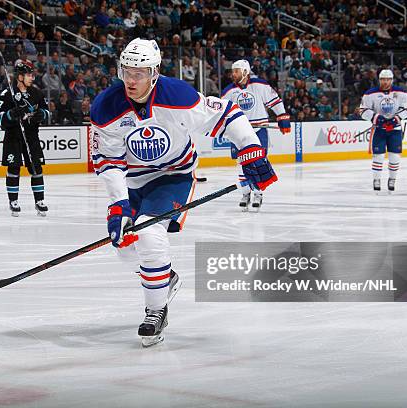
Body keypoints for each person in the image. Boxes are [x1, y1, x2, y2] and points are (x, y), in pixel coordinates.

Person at [90, 38, 277, 347]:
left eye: (140, 72)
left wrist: (252, 148)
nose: (131, 80)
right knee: (125, 246)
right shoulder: (105, 107)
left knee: (150, 234)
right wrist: (118, 206)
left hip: (173, 175)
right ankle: (165, 277)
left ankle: (156, 310)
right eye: (126, 72)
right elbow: (109, 162)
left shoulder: (178, 96)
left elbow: (228, 115)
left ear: (154, 72)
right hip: (133, 179)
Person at [220, 59, 290, 210]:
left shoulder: (260, 85)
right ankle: (246, 193)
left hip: (259, 130)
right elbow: (221, 111)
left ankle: (258, 192)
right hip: (238, 132)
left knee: (258, 162)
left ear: (245, 71)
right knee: (241, 164)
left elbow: (275, 101)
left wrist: (282, 116)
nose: (233, 74)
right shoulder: (228, 91)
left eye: (236, 71)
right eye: (233, 71)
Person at [0, 61, 50, 216]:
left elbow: (46, 111)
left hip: (32, 136)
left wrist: (42, 114)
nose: (32, 77)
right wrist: (11, 114)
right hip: (13, 137)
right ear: (20, 76)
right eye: (28, 75)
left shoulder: (37, 93)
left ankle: (39, 201)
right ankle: (13, 201)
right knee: (13, 168)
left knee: (36, 168)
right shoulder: (7, 94)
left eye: (32, 74)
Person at [359, 69, 407, 192]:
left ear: (392, 80)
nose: (385, 82)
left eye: (388, 79)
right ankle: (376, 179)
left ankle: (392, 179)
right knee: (378, 157)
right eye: (383, 79)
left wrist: (396, 118)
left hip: (395, 130)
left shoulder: (401, 92)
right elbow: (363, 110)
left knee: (395, 157)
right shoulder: (370, 93)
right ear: (379, 80)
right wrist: (376, 118)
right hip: (379, 130)